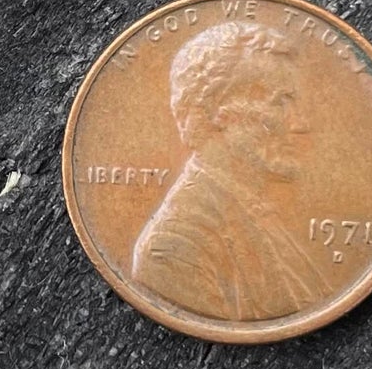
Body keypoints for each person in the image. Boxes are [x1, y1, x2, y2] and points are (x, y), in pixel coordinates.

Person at [132, 18, 320, 323]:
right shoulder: (175, 248)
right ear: (217, 110)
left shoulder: (255, 213)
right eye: (280, 102)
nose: (299, 124)